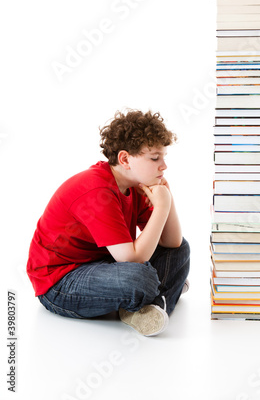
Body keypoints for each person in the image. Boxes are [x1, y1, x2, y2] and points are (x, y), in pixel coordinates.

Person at [26, 109, 190, 336]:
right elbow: (132, 259)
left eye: (163, 157)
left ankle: (154, 302)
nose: (164, 166)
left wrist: (167, 198)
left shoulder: (136, 186)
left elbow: (171, 243)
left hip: (103, 262)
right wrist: (161, 207)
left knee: (182, 248)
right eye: (154, 158)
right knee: (140, 278)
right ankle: (164, 291)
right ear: (125, 159)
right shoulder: (97, 189)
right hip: (59, 283)